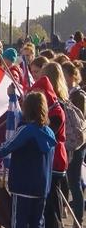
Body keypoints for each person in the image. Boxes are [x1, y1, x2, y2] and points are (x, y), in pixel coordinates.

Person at [0, 91, 57, 228]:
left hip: (23, 187)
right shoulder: (49, 132)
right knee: (37, 223)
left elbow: (4, 148)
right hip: (42, 188)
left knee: (18, 223)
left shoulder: (26, 131)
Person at [32, 71, 67, 228]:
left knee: (52, 203)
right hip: (51, 160)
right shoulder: (51, 109)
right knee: (49, 202)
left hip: (55, 161)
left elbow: (47, 136)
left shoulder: (56, 112)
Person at [61, 61, 86, 226]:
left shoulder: (78, 95)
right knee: (69, 181)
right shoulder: (67, 93)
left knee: (74, 182)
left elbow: (80, 121)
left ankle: (78, 219)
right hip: (68, 143)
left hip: (77, 145)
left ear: (71, 76)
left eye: (64, 75)